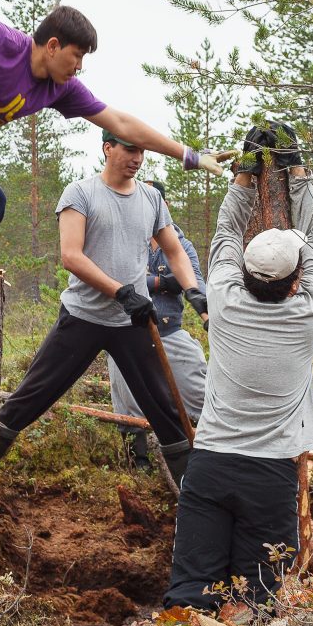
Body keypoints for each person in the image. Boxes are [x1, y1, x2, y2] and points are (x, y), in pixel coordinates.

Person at [0, 0, 228, 374]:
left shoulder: (59, 89)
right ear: (52, 45)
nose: (79, 67)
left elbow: (121, 123)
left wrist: (188, 155)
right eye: (76, 55)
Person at [164, 125, 313, 613]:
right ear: (297, 278)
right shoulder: (310, 310)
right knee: (259, 601)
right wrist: (295, 169)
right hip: (271, 476)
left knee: (191, 592)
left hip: (211, 464)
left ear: (245, 274)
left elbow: (225, 234)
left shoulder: (224, 300)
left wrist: (243, 173)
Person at [0, 130, 209, 481]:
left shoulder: (151, 198)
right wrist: (122, 292)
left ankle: (193, 497)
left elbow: (173, 250)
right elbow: (71, 255)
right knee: (32, 396)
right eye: (129, 149)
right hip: (84, 318)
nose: (137, 157)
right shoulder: (80, 193)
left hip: (131, 325)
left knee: (166, 412)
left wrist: (193, 291)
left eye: (141, 150)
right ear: (107, 148)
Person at [109, 179, 207, 471]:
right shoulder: (121, 239)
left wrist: (154, 282)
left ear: (163, 206)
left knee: (200, 392)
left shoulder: (180, 243)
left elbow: (193, 283)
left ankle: (211, 455)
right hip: (127, 334)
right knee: (126, 398)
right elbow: (118, 282)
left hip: (170, 331)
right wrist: (163, 282)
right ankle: (138, 463)